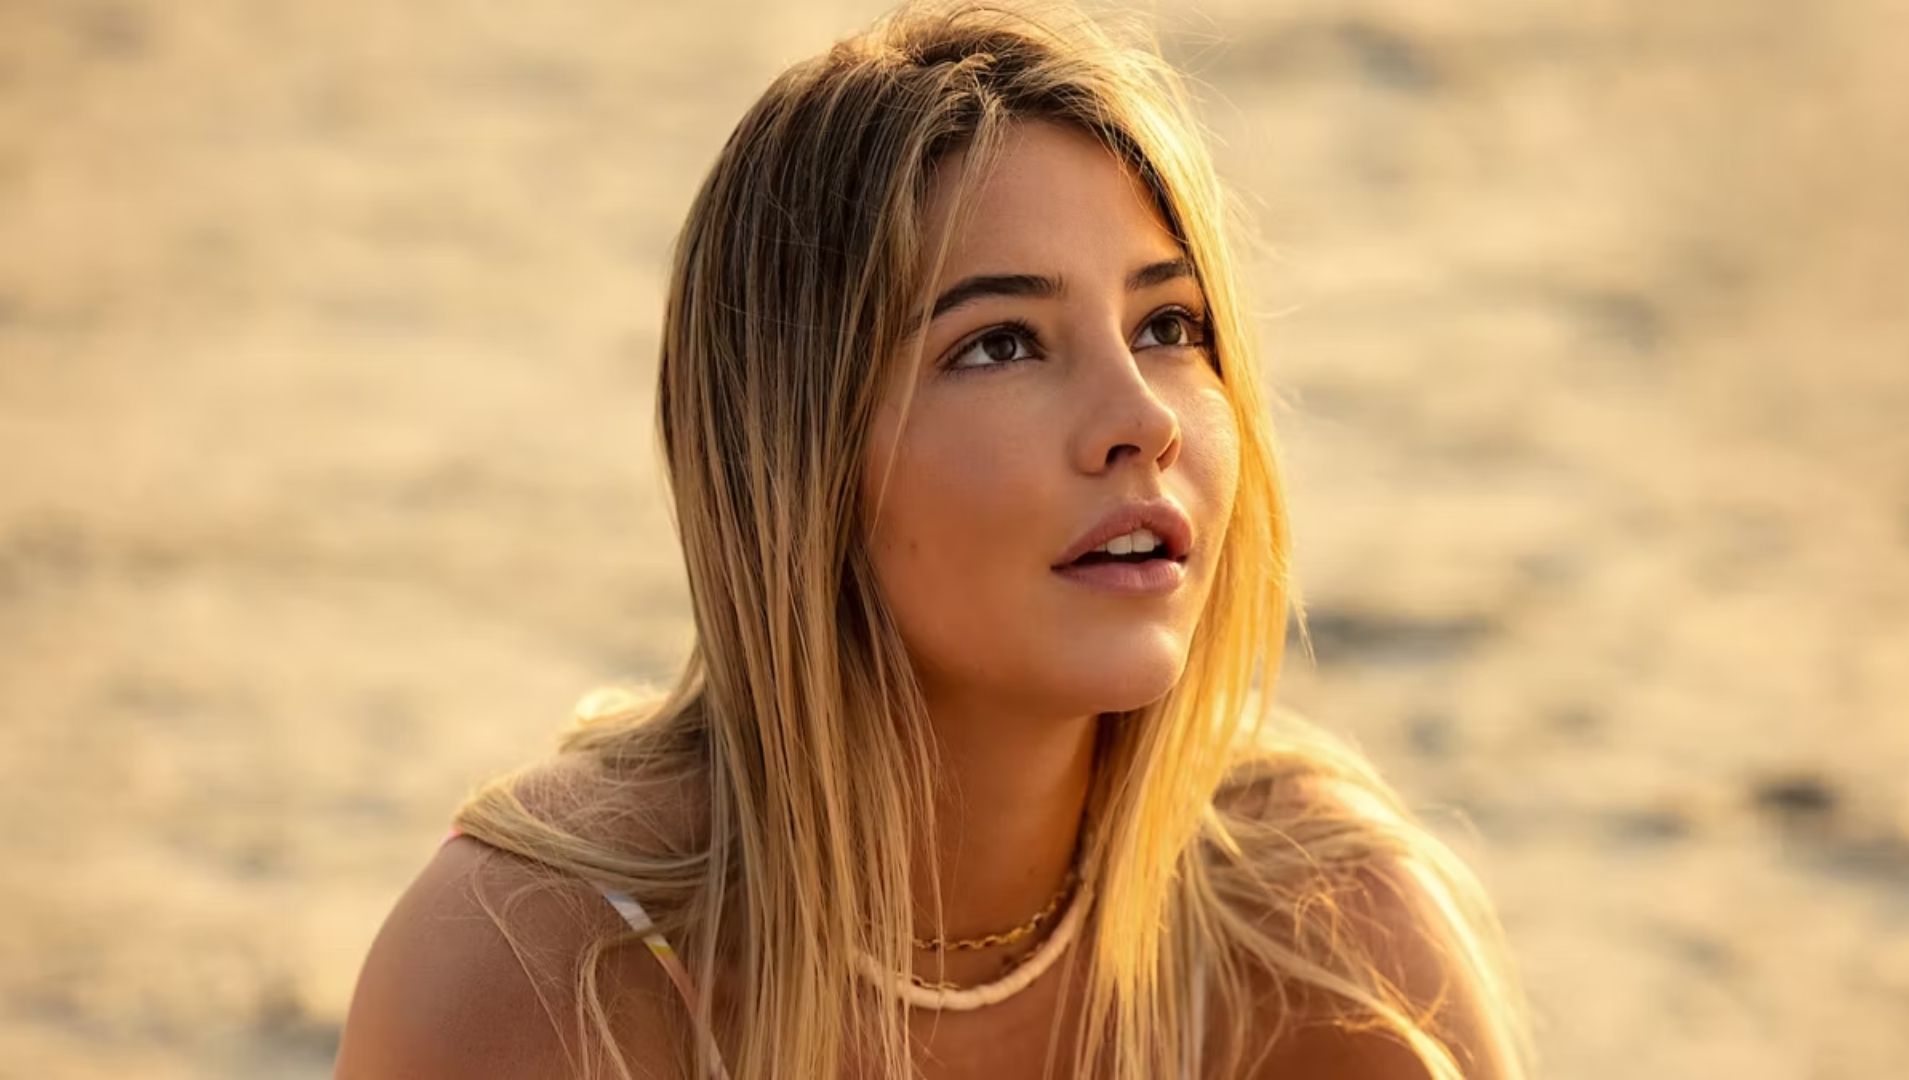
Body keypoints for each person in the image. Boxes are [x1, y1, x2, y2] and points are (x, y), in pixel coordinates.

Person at [333, 2, 1536, 1077]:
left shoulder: (1336, 951)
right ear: (798, 458)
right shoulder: (542, 976)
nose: (1142, 421)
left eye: (1169, 324)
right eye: (1002, 343)